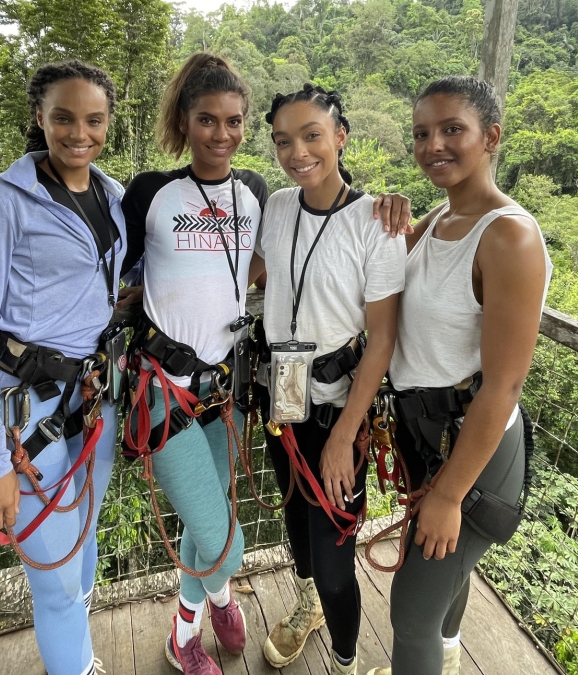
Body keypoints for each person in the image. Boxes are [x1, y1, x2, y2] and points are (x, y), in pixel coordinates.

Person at [365, 76, 552, 675]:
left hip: (475, 454)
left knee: (411, 613)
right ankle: (446, 657)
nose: (433, 145)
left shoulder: (509, 237)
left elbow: (503, 386)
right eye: (422, 133)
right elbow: (382, 273)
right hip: (429, 436)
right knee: (447, 581)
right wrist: (386, 219)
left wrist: (448, 494)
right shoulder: (440, 218)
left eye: (453, 130)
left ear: (491, 137)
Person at [0, 60, 128, 675]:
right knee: (53, 581)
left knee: (82, 550)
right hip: (26, 420)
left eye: (93, 119)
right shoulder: (1, 202)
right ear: (40, 119)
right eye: (63, 117)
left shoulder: (112, 196)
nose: (79, 132)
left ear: (108, 122)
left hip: (93, 403)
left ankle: (79, 660)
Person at [251, 84, 407, 675]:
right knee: (296, 516)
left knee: (338, 561)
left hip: (337, 410)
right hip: (280, 398)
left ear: (340, 137)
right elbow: (255, 272)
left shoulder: (376, 222)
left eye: (312, 135)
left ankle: (345, 662)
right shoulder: (279, 207)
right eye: (284, 140)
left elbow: (383, 338)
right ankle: (307, 604)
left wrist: (346, 434)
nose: (298, 152)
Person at [119, 52, 266, 675]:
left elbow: (263, 258)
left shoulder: (253, 190)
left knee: (207, 518)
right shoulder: (152, 191)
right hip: (165, 392)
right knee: (225, 546)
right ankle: (224, 591)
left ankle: (187, 634)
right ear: (185, 120)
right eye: (207, 120)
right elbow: (112, 264)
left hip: (223, 388)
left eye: (234, 121)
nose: (222, 135)